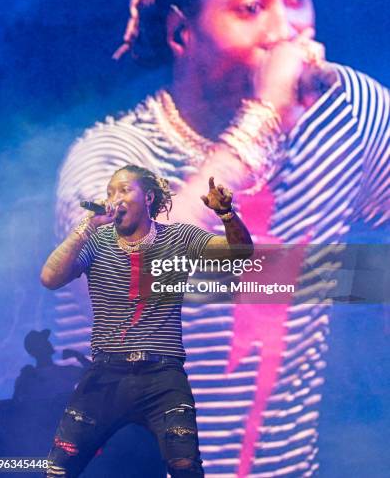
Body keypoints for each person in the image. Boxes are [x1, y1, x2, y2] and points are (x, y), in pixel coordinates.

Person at [55, 0, 390, 477]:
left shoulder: (349, 111)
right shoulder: (113, 158)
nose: (286, 32)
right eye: (251, 7)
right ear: (183, 33)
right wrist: (263, 121)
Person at [42, 165, 253, 477]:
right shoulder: (96, 241)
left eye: (124, 190)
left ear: (149, 197)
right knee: (58, 469)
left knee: (186, 468)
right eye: (110, 192)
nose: (115, 198)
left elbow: (239, 254)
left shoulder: (179, 237)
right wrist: (86, 226)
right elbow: (49, 278)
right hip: (106, 374)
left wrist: (226, 214)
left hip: (162, 376)